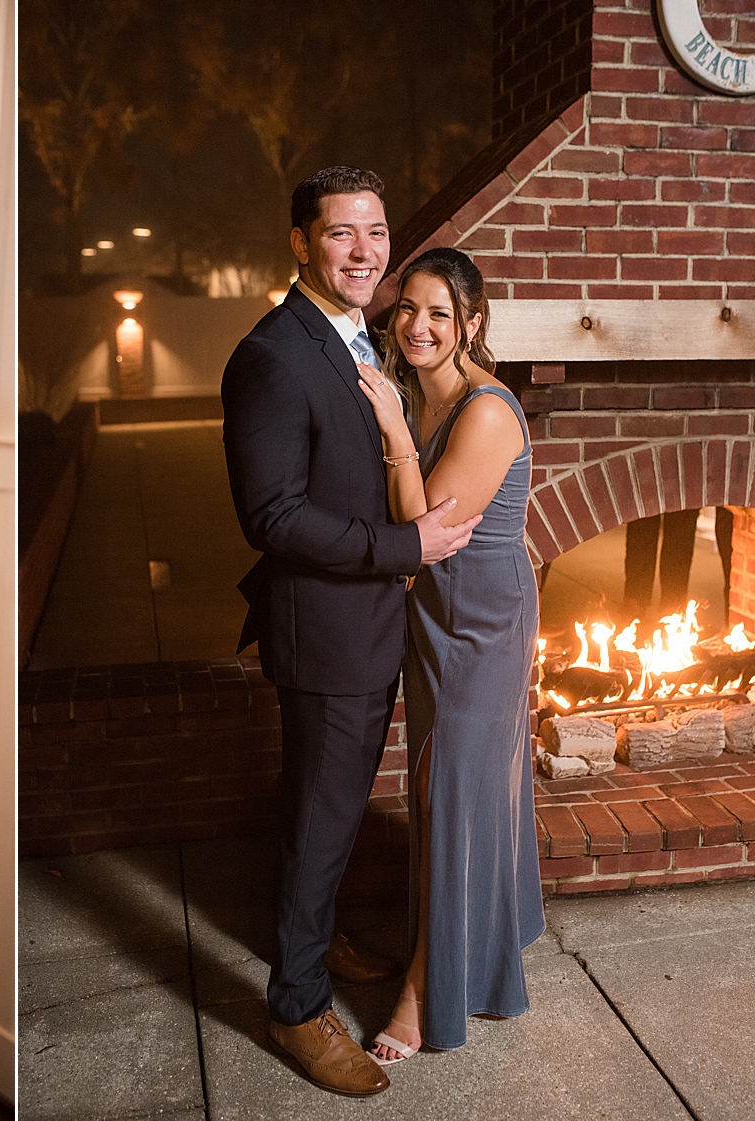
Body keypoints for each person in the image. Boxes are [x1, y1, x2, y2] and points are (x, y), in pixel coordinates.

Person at [220, 166, 478, 1098]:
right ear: (301, 241)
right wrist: (403, 543)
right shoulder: (271, 355)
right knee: (323, 815)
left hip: (367, 624)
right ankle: (295, 1004)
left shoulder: (358, 336)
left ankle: (315, 930)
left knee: (319, 808)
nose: (366, 250)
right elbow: (274, 515)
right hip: (328, 633)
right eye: (342, 234)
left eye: (376, 232)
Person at [356, 247, 546, 1062]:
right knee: (441, 782)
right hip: (433, 618)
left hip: (485, 619)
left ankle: (425, 990)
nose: (419, 326)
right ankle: (480, 939)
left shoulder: (486, 411)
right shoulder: (415, 393)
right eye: (408, 310)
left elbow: (423, 533)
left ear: (471, 323)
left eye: (439, 313)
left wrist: (395, 434)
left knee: (450, 788)